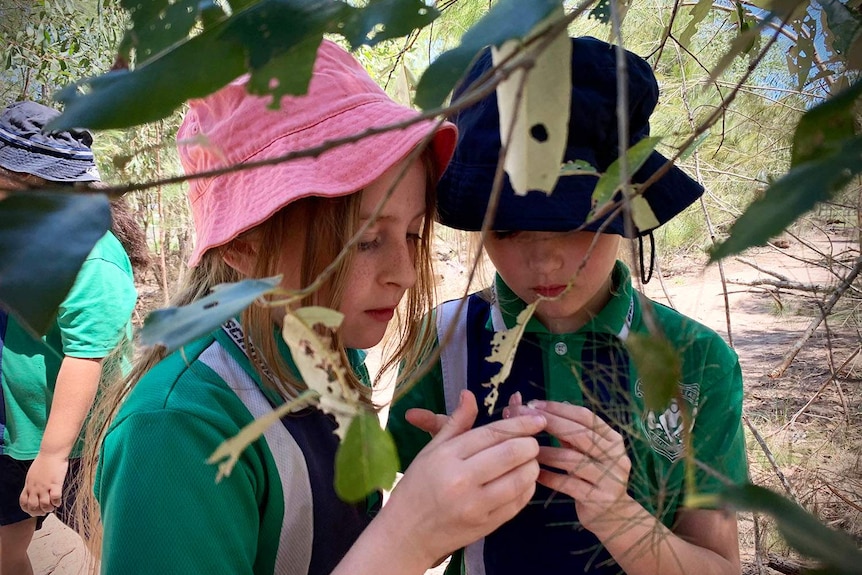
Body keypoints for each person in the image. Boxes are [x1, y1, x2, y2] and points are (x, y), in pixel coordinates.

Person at [84, 39, 547, 575]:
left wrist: (439, 508)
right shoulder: (178, 432)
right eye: (364, 241)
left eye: (415, 233)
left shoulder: (326, 356)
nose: (403, 271)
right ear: (244, 244)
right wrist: (407, 538)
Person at [388, 36, 748, 575]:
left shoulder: (697, 361)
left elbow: (720, 565)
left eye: (575, 223)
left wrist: (618, 515)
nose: (544, 262)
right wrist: (445, 499)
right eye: (507, 229)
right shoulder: (444, 341)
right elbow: (409, 545)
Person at [0, 100, 139, 575]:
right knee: (4, 548)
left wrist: (53, 456)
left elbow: (85, 357)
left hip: (80, 442)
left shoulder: (91, 260)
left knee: (114, 542)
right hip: (13, 431)